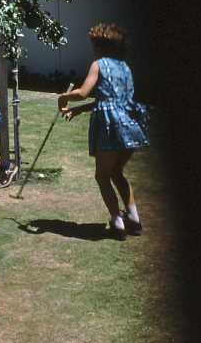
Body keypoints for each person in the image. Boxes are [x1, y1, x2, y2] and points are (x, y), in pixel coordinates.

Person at [57, 23, 150, 241]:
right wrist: (79, 110)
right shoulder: (125, 68)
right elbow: (111, 100)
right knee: (117, 172)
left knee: (102, 176)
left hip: (111, 127)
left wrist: (64, 97)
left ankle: (117, 222)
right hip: (130, 126)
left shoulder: (98, 65)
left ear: (100, 46)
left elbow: (83, 93)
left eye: (94, 45)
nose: (93, 50)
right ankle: (134, 218)